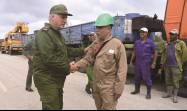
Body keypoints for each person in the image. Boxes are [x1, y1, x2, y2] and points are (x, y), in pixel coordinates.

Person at [71, 13, 127, 110]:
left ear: (109, 29)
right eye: (97, 28)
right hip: (96, 85)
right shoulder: (95, 43)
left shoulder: (117, 44)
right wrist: (75, 66)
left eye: (100, 28)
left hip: (109, 87)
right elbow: (87, 59)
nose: (97, 31)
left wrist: (119, 88)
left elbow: (122, 69)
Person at [32, 4, 84, 110]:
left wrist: (84, 50)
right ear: (51, 17)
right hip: (46, 78)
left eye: (66, 18)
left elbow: (66, 51)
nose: (65, 20)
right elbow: (49, 59)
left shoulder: (57, 34)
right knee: (53, 106)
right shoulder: (44, 34)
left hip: (56, 78)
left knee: (57, 106)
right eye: (62, 17)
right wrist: (69, 67)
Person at [130, 27, 158, 99]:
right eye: (141, 32)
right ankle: (137, 90)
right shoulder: (137, 42)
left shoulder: (150, 42)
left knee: (146, 78)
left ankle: (148, 93)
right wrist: (131, 60)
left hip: (146, 63)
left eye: (143, 32)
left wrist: (154, 62)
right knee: (137, 77)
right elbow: (134, 51)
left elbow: (155, 52)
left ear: (146, 33)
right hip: (138, 62)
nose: (141, 33)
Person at [161, 29, 187, 103]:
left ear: (176, 35)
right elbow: (164, 54)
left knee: (175, 82)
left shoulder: (181, 43)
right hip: (167, 65)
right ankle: (169, 93)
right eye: (170, 34)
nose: (171, 35)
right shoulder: (167, 44)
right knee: (168, 80)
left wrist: (180, 62)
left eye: (173, 34)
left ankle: (175, 96)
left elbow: (185, 54)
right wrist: (162, 63)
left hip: (176, 66)